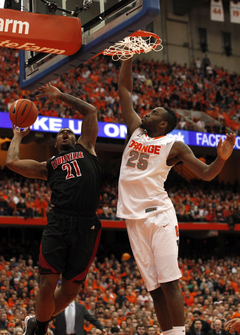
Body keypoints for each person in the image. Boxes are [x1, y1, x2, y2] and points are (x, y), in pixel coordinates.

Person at [116, 58, 236, 335]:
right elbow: (124, 90)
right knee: (154, 288)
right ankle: (167, 333)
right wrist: (128, 58)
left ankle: (179, 333)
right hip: (133, 219)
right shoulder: (136, 130)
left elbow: (206, 174)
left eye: (154, 112)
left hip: (159, 215)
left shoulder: (174, 145)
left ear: (163, 124)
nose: (147, 112)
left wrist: (220, 159)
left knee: (169, 282)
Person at [6, 83, 102, 335]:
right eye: (61, 133)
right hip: (59, 221)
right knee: (47, 285)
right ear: (57, 143)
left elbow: (91, 111)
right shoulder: (48, 165)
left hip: (87, 224)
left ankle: (35, 323)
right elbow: (12, 162)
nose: (66, 133)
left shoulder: (87, 148)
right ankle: (40, 330)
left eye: (69, 131)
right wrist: (17, 136)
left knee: (71, 292)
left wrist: (60, 95)